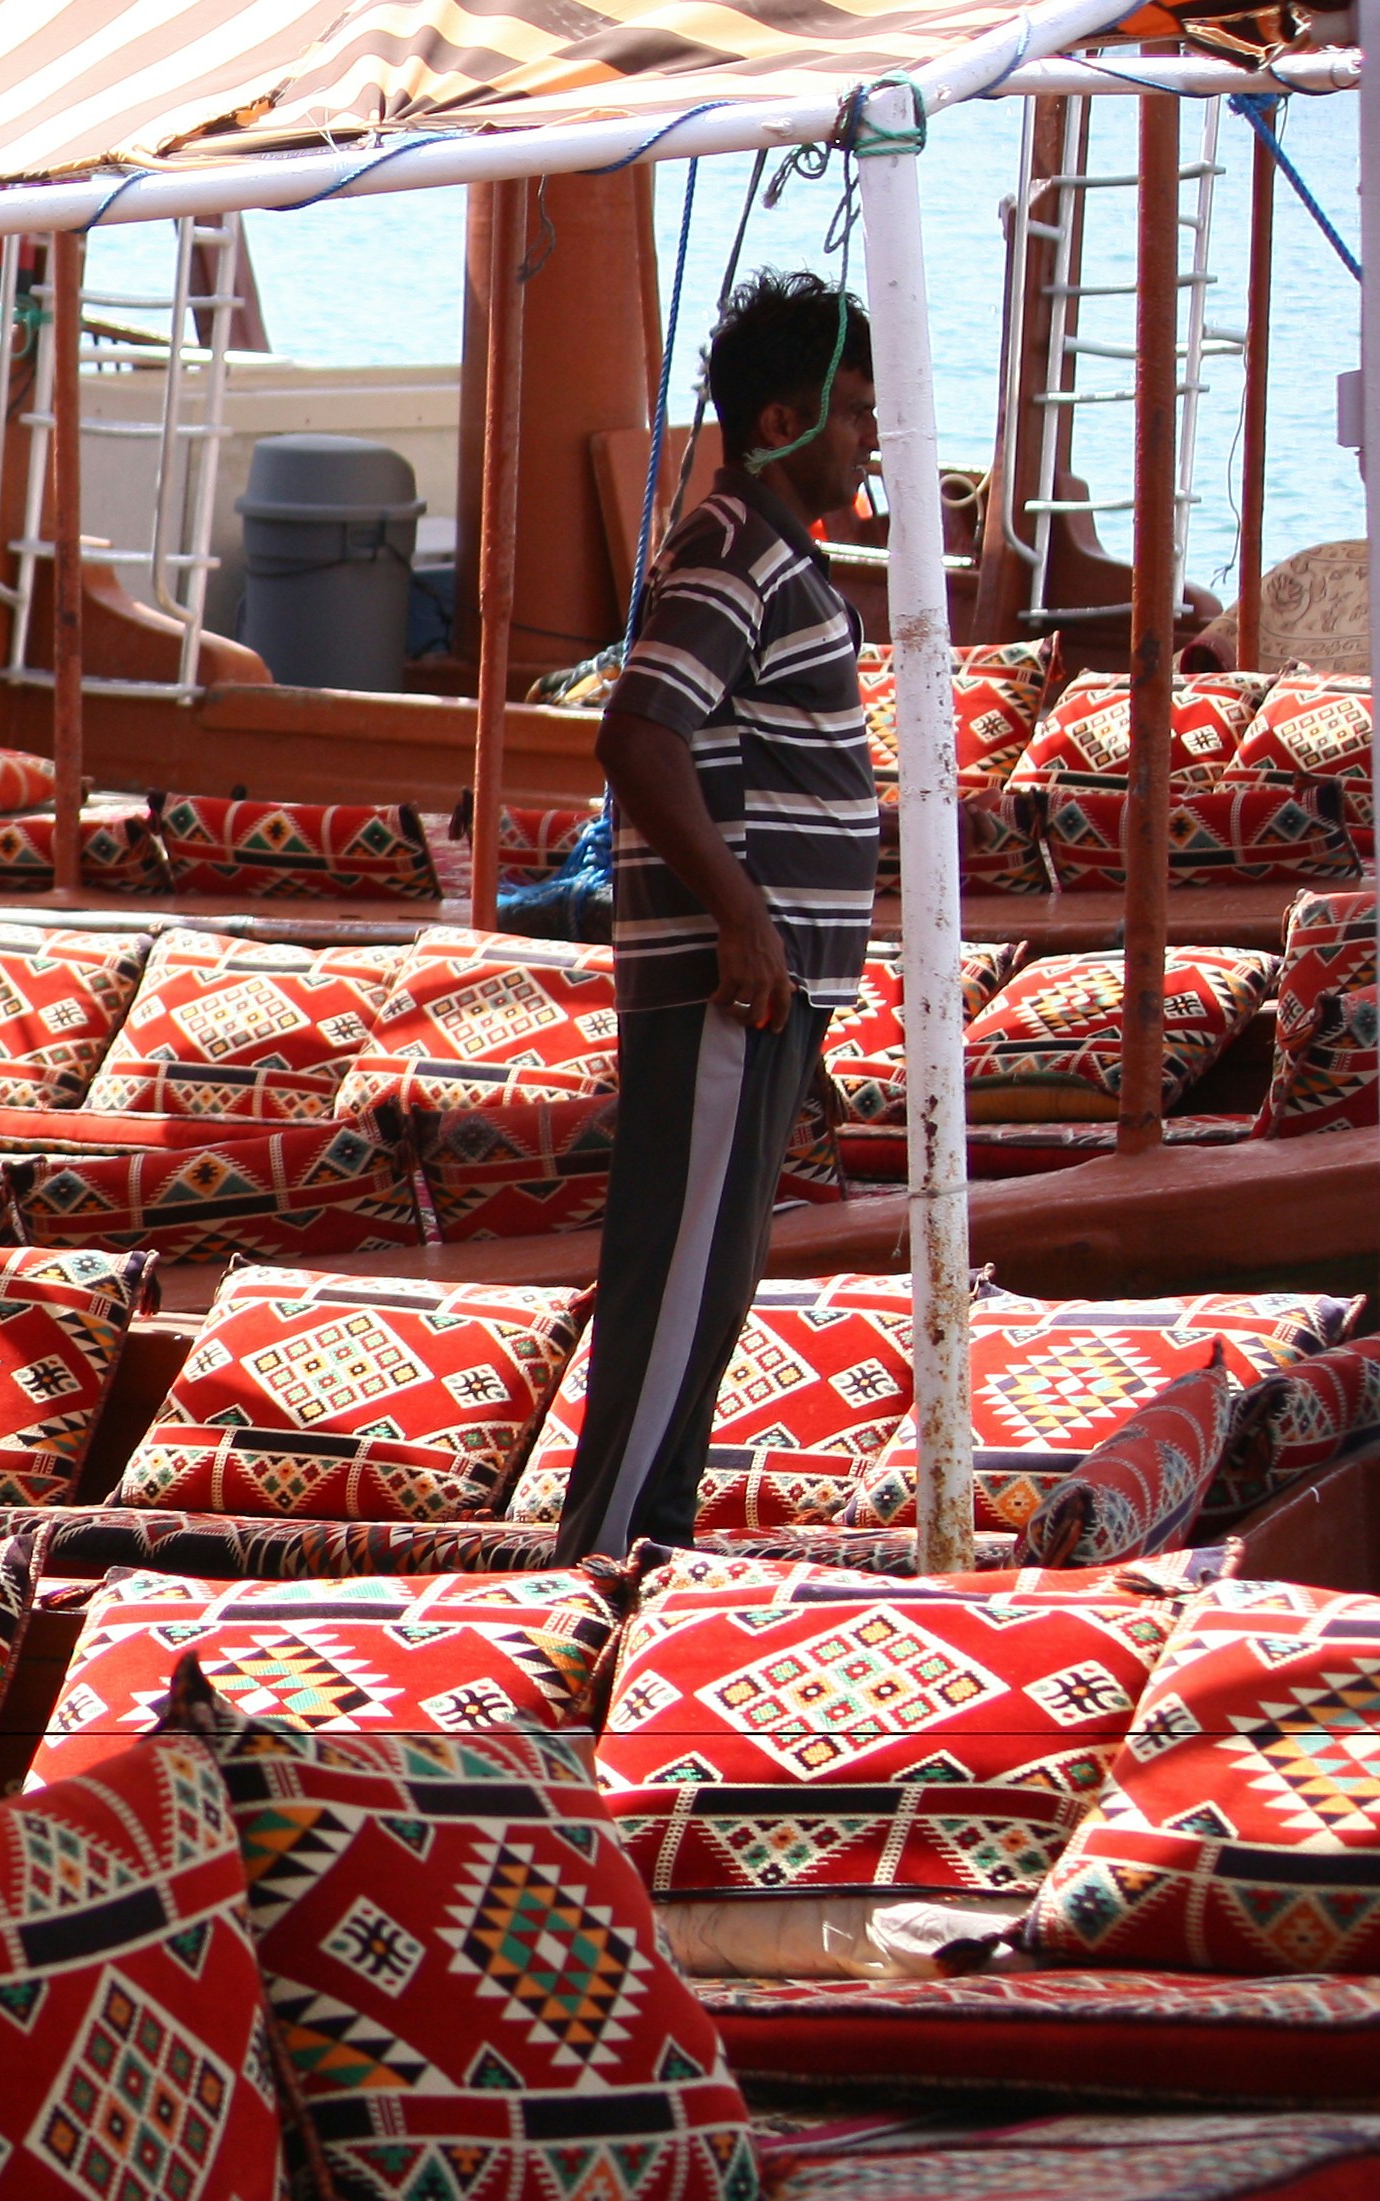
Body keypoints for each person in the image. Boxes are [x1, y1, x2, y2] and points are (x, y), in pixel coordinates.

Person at [558, 272, 882, 1559]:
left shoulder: (775, 554)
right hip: (725, 985)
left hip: (769, 990)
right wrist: (746, 921)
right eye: (851, 414)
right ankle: (611, 1558)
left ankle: (651, 1539)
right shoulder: (735, 545)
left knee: (714, 1274)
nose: (865, 439)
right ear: (782, 418)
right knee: (680, 1276)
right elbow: (639, 736)